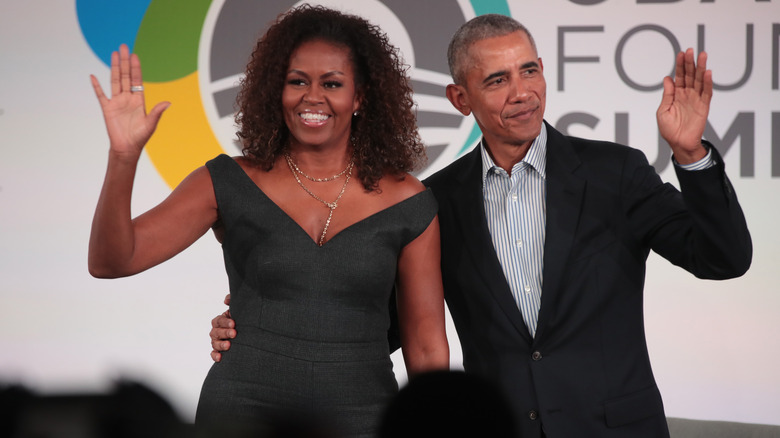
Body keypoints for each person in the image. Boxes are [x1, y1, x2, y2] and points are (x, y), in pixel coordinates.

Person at [210, 13, 752, 438]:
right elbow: (382, 326)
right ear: (460, 99)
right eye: (497, 80)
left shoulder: (616, 173)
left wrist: (692, 157)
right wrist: (262, 323)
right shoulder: (435, 201)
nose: (521, 92)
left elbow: (722, 259)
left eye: (529, 71)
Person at [88, 5, 449, 437]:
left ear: (361, 96)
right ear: (275, 90)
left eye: (331, 84)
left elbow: (427, 346)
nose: (312, 97)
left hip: (364, 415)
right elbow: (113, 260)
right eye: (296, 81)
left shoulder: (409, 201)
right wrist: (124, 156)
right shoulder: (227, 181)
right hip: (242, 412)